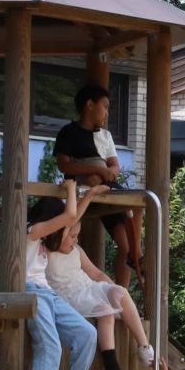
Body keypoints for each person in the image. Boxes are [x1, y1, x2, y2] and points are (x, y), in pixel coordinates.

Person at [34, 181, 157, 370]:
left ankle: (144, 346)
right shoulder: (49, 252)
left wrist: (112, 290)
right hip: (70, 297)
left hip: (87, 290)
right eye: (72, 235)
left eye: (77, 236)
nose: (74, 239)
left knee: (120, 293)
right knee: (105, 311)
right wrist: (88, 196)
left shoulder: (77, 251)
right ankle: (112, 366)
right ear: (58, 234)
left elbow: (97, 274)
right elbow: (67, 223)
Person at [17, 193, 102, 370]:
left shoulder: (47, 240)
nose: (65, 233)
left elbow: (73, 220)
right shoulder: (31, 232)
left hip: (48, 294)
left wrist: (89, 195)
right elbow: (69, 217)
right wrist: (71, 188)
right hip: (31, 291)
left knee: (87, 333)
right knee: (50, 344)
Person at [53, 82, 144, 282]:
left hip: (107, 188)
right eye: (105, 107)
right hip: (85, 189)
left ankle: (134, 257)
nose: (107, 113)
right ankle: (136, 257)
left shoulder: (106, 136)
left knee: (136, 209)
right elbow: (64, 165)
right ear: (90, 105)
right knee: (100, 184)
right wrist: (96, 170)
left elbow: (114, 165)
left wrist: (107, 172)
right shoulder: (69, 132)